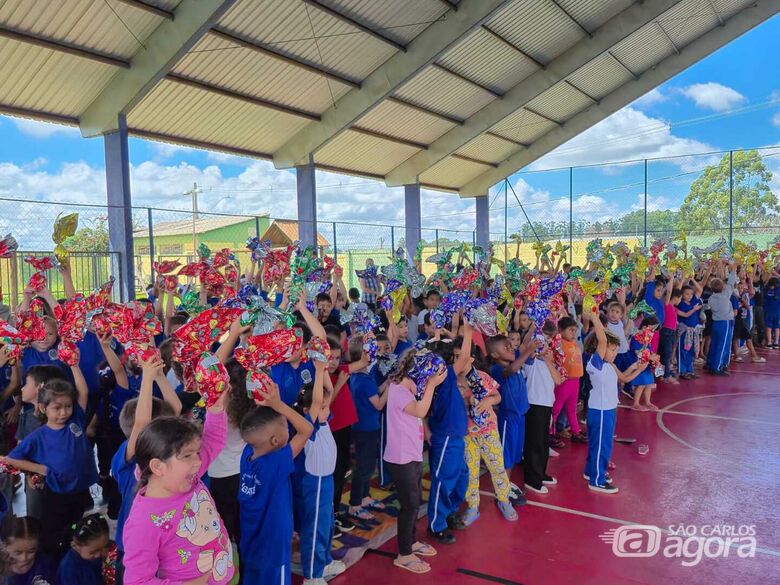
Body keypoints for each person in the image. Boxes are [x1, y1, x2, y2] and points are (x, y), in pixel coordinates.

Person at [121, 393, 233, 585]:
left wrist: (215, 407)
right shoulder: (143, 522)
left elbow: (213, 439)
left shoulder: (189, 476)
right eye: (187, 456)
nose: (198, 461)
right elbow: (137, 581)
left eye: (197, 452)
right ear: (158, 466)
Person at [3, 364, 96, 559]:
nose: (63, 413)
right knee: (53, 535)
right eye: (57, 408)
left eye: (67, 406)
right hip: (55, 494)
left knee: (76, 527)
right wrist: (41, 469)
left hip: (78, 492)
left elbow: (84, 391)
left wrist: (75, 365)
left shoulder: (75, 421)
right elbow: (12, 459)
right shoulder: (38, 436)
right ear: (44, 408)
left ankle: (73, 557)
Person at [110, 358, 179, 585]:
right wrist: (147, 377)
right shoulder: (128, 456)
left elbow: (176, 410)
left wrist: (159, 376)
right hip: (134, 546)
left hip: (163, 543)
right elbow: (141, 428)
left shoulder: (163, 450)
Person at [238, 381, 313, 585]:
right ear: (275, 441)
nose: (288, 429)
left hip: (252, 545)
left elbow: (258, 426)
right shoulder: (275, 463)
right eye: (285, 427)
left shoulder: (247, 454)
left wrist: (268, 404)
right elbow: (306, 429)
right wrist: (279, 405)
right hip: (274, 549)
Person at [383, 349, 444, 574]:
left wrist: (429, 385)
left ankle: (412, 541)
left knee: (416, 501)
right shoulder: (398, 390)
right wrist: (430, 385)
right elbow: (419, 410)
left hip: (413, 453)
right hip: (401, 457)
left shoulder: (410, 387)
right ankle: (404, 554)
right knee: (409, 505)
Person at [292, 359, 346, 585]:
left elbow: (328, 392)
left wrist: (322, 367)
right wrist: (317, 369)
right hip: (314, 484)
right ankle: (312, 575)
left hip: (327, 482)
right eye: (323, 407)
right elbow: (317, 402)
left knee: (326, 525)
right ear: (309, 410)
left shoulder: (323, 422)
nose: (328, 408)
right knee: (314, 528)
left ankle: (323, 562)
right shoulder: (309, 426)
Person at [583, 309, 647, 493]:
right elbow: (602, 340)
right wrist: (595, 317)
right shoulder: (595, 364)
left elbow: (624, 379)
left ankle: (591, 471)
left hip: (609, 410)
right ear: (599, 349)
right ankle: (597, 480)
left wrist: (638, 368)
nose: (614, 352)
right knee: (602, 445)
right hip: (600, 411)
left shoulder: (609, 365)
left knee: (600, 443)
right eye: (612, 349)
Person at [453, 341, 517, 525]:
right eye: (455, 357)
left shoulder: (480, 377)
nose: (458, 360)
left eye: (461, 357)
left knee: (497, 466)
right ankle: (473, 506)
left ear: (471, 359)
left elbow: (497, 396)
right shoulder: (452, 380)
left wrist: (488, 402)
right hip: (466, 433)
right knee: (471, 471)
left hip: (487, 430)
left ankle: (504, 499)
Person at [425, 327, 473, 544]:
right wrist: (469, 328)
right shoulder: (442, 378)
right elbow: (464, 357)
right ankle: (437, 523)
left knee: (461, 476)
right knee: (443, 480)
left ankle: (449, 510)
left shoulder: (443, 378)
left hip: (454, 436)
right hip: (446, 437)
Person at [347, 336, 388, 521]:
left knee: (368, 465)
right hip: (366, 428)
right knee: (364, 467)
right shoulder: (364, 380)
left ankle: (364, 497)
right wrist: (392, 387)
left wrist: (388, 382)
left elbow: (376, 391)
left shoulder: (362, 376)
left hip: (365, 426)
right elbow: (379, 404)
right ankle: (355, 504)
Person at [487, 334, 531, 503]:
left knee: (514, 454)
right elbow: (510, 371)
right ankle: (501, 492)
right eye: (505, 347)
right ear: (495, 355)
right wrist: (529, 351)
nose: (511, 348)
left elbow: (524, 343)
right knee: (506, 455)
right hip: (507, 419)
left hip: (520, 417)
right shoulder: (497, 370)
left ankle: (506, 483)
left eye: (510, 345)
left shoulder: (515, 363)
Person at [523, 334, 564, 494]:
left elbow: (558, 380)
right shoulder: (530, 362)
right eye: (540, 344)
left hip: (546, 405)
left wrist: (547, 359)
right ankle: (532, 479)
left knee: (543, 443)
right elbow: (528, 353)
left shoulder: (548, 363)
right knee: (534, 444)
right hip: (535, 405)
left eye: (546, 344)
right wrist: (533, 350)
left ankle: (540, 473)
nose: (544, 347)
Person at [325, 340, 357, 535]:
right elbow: (325, 404)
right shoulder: (321, 377)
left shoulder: (341, 370)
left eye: (337, 357)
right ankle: (328, 517)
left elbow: (363, 361)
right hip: (332, 432)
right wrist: (339, 384)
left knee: (343, 472)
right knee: (334, 476)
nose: (334, 362)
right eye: (330, 358)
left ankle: (335, 513)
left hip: (345, 430)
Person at [551, 316, 586, 442]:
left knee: (572, 409)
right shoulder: (559, 342)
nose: (573, 333)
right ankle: (551, 432)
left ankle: (576, 433)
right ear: (560, 330)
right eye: (570, 330)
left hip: (575, 381)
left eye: (575, 330)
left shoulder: (573, 343)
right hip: (564, 381)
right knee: (556, 408)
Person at [0, 516, 57, 585]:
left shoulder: (44, 565)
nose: (24, 558)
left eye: (31, 552)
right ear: (4, 546)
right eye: (18, 553)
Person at [57, 513, 111, 585]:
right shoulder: (68, 569)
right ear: (74, 545)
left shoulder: (95, 557)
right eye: (93, 552)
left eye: (105, 546)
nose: (98, 555)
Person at [706, 263, 738, 375]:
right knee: (723, 344)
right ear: (722, 287)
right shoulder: (726, 294)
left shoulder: (710, 298)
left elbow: (724, 283)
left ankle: (710, 363)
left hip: (716, 323)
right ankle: (718, 367)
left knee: (715, 343)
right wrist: (733, 269)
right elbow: (731, 281)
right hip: (725, 323)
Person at [676, 285, 703, 380]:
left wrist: (692, 278)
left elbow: (700, 289)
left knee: (691, 351)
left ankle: (689, 370)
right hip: (684, 331)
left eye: (691, 294)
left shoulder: (693, 302)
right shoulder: (680, 304)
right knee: (683, 350)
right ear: (682, 295)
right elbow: (686, 315)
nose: (690, 296)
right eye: (687, 294)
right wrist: (694, 309)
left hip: (693, 331)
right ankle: (682, 371)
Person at [659, 286, 682, 384]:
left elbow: (677, 289)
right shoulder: (667, 305)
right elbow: (669, 293)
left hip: (671, 332)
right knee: (666, 354)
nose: (680, 300)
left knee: (666, 354)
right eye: (680, 298)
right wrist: (672, 279)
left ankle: (663, 374)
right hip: (666, 332)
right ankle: (666, 376)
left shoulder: (674, 308)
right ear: (676, 298)